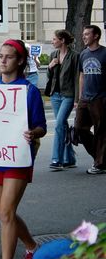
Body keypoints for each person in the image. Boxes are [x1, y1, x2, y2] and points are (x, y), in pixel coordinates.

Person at [0, 39, 47, 259]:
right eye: (0, 56)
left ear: (20, 60)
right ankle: (32, 246)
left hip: (18, 158)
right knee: (5, 214)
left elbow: (42, 126)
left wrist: (33, 133)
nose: (2, 60)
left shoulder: (29, 91)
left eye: (8, 56)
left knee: (6, 213)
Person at [75, 25, 106, 175]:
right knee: (80, 129)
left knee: (101, 132)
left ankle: (100, 163)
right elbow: (82, 75)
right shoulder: (83, 54)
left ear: (96, 36)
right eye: (83, 34)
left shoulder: (105, 53)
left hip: (100, 98)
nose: (84, 36)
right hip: (85, 99)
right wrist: (80, 97)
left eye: (87, 34)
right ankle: (100, 158)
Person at [47, 30, 79, 170]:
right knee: (63, 126)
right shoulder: (53, 55)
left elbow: (77, 78)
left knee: (59, 124)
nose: (52, 41)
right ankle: (70, 158)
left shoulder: (74, 56)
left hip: (68, 95)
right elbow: (50, 76)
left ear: (63, 40)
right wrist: (50, 66)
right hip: (55, 95)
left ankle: (57, 159)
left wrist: (77, 98)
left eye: (55, 39)